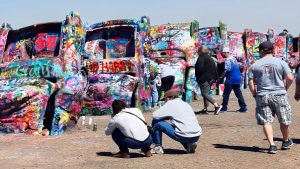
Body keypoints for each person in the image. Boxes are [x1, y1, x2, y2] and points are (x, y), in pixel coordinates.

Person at [248, 41, 294, 154]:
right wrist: (285, 88)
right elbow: (290, 77)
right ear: (272, 50)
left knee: (266, 121)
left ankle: (272, 145)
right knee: (284, 118)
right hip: (279, 93)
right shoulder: (280, 62)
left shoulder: (255, 65)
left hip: (263, 95)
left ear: (261, 51)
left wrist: (254, 93)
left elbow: (250, 82)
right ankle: (285, 141)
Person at [219, 47, 248, 113]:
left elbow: (227, 70)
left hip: (231, 79)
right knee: (238, 94)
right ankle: (243, 107)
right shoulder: (234, 59)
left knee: (226, 94)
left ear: (226, 53)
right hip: (237, 78)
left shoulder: (228, 60)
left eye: (222, 53)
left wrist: (222, 76)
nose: (221, 54)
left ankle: (224, 108)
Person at [195, 46, 222, 115]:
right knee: (206, 93)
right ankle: (205, 109)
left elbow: (199, 69)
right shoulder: (210, 58)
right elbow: (215, 68)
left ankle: (216, 105)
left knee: (204, 94)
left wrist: (198, 78)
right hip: (211, 78)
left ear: (200, 51)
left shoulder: (201, 58)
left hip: (204, 78)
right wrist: (215, 78)